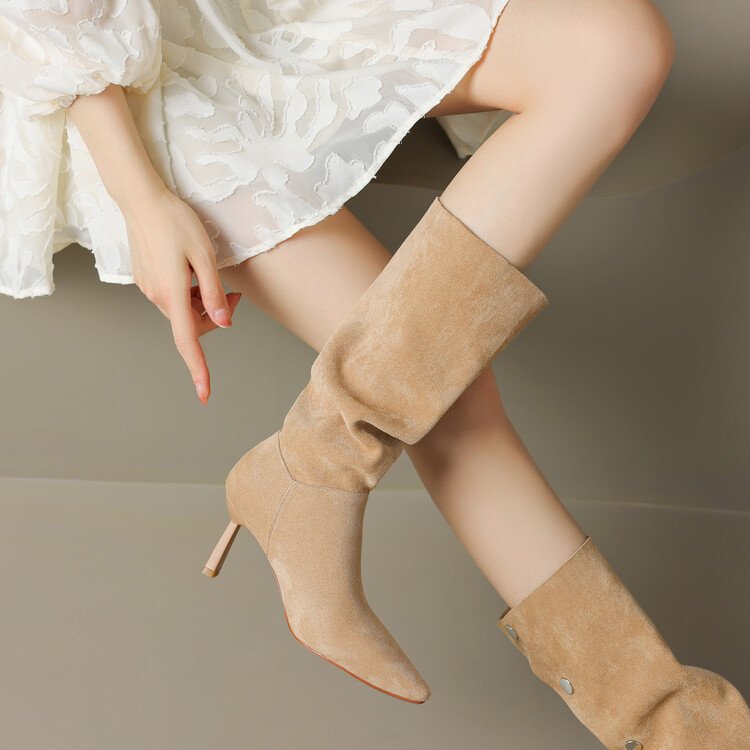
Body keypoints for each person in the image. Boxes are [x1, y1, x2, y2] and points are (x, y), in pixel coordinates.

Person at [2, 1, 748, 747]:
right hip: (121, 68)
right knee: (445, 388)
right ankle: (674, 728)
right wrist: (141, 198)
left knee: (619, 48)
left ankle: (310, 464)